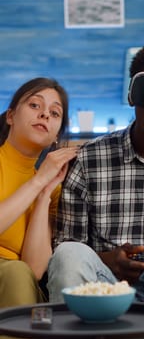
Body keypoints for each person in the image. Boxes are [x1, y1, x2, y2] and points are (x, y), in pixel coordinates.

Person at [47, 38, 144, 311]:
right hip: (108, 288)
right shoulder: (90, 159)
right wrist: (109, 260)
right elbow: (68, 247)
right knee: (69, 254)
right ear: (132, 94)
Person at [0, 77, 78, 309]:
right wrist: (39, 181)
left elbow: (33, 270)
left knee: (18, 274)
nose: (44, 114)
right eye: (35, 105)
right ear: (11, 116)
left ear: (56, 136)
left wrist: (44, 193)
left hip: (13, 282)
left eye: (55, 113)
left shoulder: (52, 190)